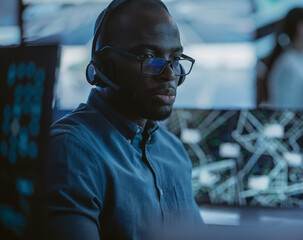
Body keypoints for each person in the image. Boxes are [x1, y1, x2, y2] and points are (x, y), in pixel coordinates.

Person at [44, 0, 202, 239]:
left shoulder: (174, 152)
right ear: (105, 66)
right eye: (149, 56)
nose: (170, 74)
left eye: (175, 58)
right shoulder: (71, 150)